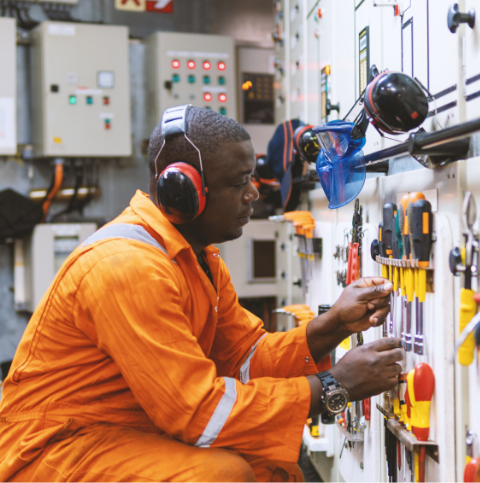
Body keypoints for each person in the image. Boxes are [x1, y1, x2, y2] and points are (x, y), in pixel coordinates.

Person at [0, 106, 404, 482]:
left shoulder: (198, 261)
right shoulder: (127, 267)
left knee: (269, 465)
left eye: (250, 178)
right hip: (49, 452)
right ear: (183, 193)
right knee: (221, 475)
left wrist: (331, 326)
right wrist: (336, 386)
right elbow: (197, 413)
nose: (252, 195)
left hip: (115, 433)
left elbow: (243, 361)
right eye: (237, 183)